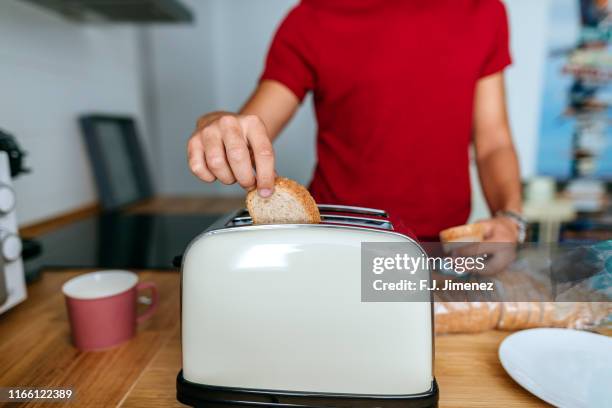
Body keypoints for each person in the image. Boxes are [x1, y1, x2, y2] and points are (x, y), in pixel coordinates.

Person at [187, 0, 524, 243]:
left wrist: (510, 219)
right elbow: (247, 130)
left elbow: (493, 143)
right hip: (336, 242)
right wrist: (217, 125)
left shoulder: (484, 11)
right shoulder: (310, 18)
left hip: (441, 247)